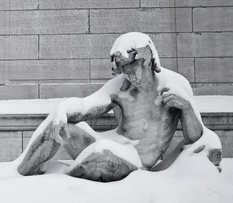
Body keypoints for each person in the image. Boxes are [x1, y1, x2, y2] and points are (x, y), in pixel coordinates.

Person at [17, 32, 221, 182]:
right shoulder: (120, 87)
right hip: (111, 145)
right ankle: (18, 173)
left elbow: (195, 137)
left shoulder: (176, 86)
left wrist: (186, 107)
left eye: (133, 70)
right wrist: (62, 109)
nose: (131, 77)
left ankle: (59, 181)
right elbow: (85, 106)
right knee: (60, 126)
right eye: (124, 71)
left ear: (147, 61)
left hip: (135, 160)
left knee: (102, 153)